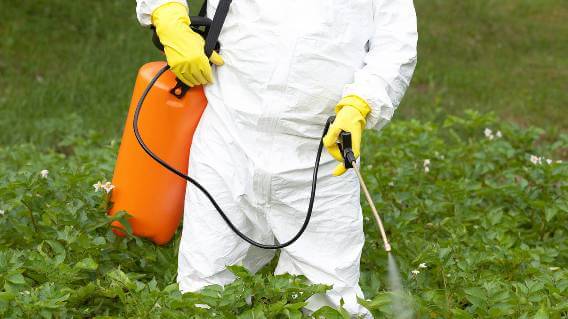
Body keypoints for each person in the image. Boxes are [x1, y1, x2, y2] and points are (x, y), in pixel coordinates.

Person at [136, 0, 417, 317]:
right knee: (205, 294)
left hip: (321, 158)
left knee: (327, 301)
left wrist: (362, 102)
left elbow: (396, 42)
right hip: (228, 137)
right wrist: (168, 14)